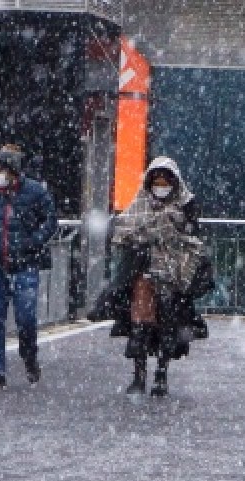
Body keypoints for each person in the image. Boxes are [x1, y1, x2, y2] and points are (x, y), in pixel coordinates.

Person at [95, 157, 211, 396]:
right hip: (144, 271)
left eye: (165, 182)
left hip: (174, 275)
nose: (160, 187)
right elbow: (123, 228)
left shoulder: (186, 205)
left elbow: (193, 239)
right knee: (140, 322)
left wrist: (170, 238)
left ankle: (161, 374)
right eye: (156, 182)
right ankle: (139, 377)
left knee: (168, 322)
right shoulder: (140, 204)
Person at [0, 144, 58, 389]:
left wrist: (34, 242)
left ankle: (29, 354)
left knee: (26, 317)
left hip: (25, 264)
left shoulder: (35, 192)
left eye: (1, 169)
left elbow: (50, 221)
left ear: (13, 171)